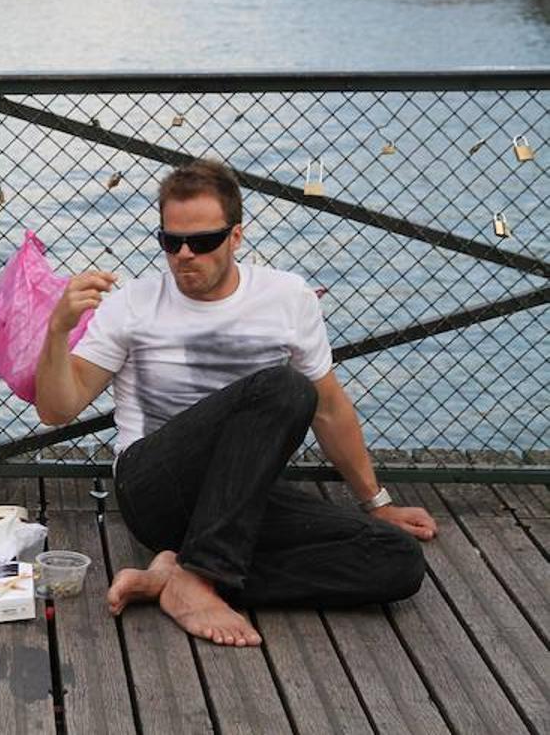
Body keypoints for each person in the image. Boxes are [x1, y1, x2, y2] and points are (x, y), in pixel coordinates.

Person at [35, 159, 436, 648]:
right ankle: (203, 574)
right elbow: (57, 410)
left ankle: (179, 576)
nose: (185, 255)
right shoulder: (133, 304)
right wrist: (57, 331)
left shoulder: (287, 298)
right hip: (155, 490)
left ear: (236, 237)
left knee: (396, 560)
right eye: (171, 242)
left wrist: (378, 504)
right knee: (286, 388)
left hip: (240, 498)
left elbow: (330, 409)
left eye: (202, 242)